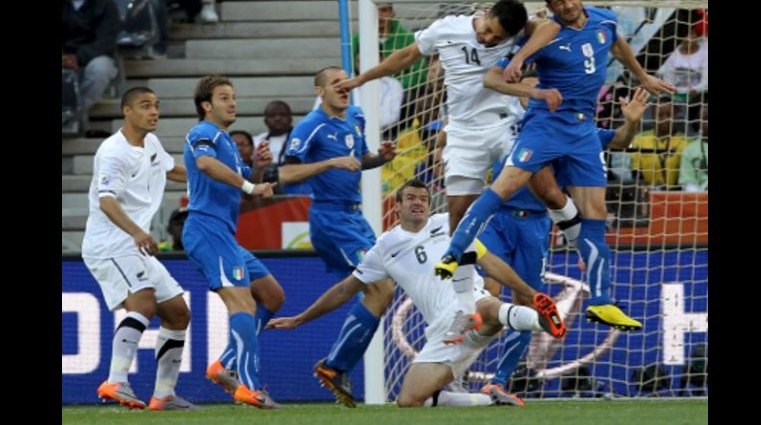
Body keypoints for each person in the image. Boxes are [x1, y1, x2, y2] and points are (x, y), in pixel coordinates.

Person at [437, 0, 675, 332]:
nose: (567, 5)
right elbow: (492, 78)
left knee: (596, 214)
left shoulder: (604, 22)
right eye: (559, 2)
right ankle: (453, 252)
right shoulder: (544, 35)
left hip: (582, 130)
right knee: (504, 185)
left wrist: (642, 76)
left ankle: (601, 301)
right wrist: (526, 75)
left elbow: (618, 45)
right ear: (550, 7)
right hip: (546, 125)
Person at [267, 180, 565, 407]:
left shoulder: (448, 225)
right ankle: (490, 399)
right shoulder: (385, 246)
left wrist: (527, 292)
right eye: (411, 198)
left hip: (468, 307)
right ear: (396, 206)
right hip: (441, 330)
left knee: (487, 307)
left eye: (423, 198)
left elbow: (488, 261)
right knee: (409, 400)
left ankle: (543, 321)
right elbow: (346, 289)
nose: (418, 203)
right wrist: (300, 319)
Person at [479, 86, 652, 397]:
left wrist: (632, 121)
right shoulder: (509, 123)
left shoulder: (578, 132)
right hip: (498, 219)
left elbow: (621, 140)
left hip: (535, 225)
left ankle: (499, 381)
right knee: (486, 295)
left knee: (527, 301)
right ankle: (455, 366)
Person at [337, 0, 563, 233]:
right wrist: (362, 79)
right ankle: (462, 269)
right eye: (488, 31)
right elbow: (406, 56)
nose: (488, 40)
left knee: (548, 192)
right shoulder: (448, 28)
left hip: (505, 126)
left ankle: (581, 237)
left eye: (497, 39)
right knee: (458, 218)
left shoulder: (518, 32)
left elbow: (549, 27)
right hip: (463, 132)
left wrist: (518, 56)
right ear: (486, 14)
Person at [278, 66, 397, 407]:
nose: (343, 86)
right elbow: (286, 173)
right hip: (330, 218)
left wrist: (379, 159)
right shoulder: (310, 126)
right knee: (379, 286)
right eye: (335, 83)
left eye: (345, 81)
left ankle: (336, 367)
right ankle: (333, 365)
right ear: (320, 91)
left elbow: (357, 161)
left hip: (355, 216)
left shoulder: (356, 117)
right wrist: (328, 164)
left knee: (380, 292)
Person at [81, 87, 198, 411]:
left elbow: (171, 170)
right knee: (143, 303)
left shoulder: (150, 143)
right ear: (127, 111)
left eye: (157, 106)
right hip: (110, 244)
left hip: (133, 244)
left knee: (178, 312)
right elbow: (106, 201)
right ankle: (116, 380)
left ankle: (164, 394)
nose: (154, 112)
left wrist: (215, 177)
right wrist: (136, 232)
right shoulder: (113, 152)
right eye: (145, 106)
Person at [181, 75, 283, 409]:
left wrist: (257, 171)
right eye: (224, 97)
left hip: (223, 233)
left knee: (272, 295)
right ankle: (250, 388)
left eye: (234, 97)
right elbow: (205, 165)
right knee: (244, 304)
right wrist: (251, 185)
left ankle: (223, 364)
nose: (232, 102)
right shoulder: (203, 134)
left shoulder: (225, 140)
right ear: (206, 105)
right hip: (206, 229)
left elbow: (241, 190)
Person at [62, 0, 120, 132]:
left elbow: (107, 40)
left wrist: (78, 57)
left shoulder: (104, 2)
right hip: (65, 56)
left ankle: (74, 114)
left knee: (100, 70)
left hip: (97, 55)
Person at [628, 101, 690, 188]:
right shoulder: (640, 139)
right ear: (653, 116)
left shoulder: (686, 142)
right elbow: (635, 170)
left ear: (675, 116)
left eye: (669, 114)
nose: (665, 118)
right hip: (647, 192)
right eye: (660, 115)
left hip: (675, 194)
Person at [678, 106, 708, 191]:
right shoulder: (689, 150)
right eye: (706, 118)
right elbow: (688, 183)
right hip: (700, 199)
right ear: (699, 122)